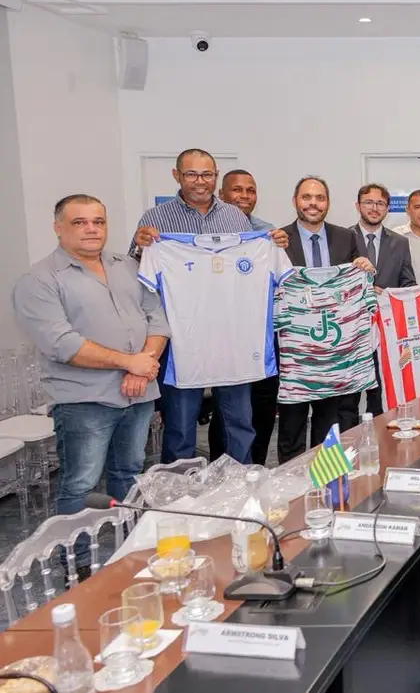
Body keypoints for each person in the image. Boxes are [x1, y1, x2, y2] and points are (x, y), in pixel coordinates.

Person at [13, 195, 167, 524]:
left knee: (130, 473)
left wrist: (142, 366)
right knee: (81, 484)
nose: (91, 229)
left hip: (138, 394)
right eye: (79, 222)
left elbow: (157, 318)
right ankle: (78, 554)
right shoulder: (39, 280)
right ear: (58, 228)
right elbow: (62, 344)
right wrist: (129, 363)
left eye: (98, 222)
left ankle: (130, 545)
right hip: (84, 401)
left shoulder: (127, 266)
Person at [130, 149, 286, 464]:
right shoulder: (154, 219)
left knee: (239, 422)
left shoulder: (235, 217)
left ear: (216, 176)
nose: (200, 181)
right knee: (180, 426)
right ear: (177, 176)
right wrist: (140, 246)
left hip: (233, 336)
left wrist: (274, 244)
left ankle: (239, 483)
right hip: (182, 338)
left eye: (207, 174)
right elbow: (139, 273)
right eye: (191, 174)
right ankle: (180, 488)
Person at [277, 176, 373, 462]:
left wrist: (365, 268)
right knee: (291, 427)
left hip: (334, 352)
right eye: (306, 197)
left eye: (320, 198)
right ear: (295, 201)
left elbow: (357, 275)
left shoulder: (346, 237)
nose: (313, 203)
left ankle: (323, 479)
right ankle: (290, 480)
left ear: (328, 203)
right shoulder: (278, 240)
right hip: (296, 356)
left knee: (327, 428)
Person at [211, 168, 278, 462]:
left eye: (250, 190)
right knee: (227, 411)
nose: (244, 196)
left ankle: (257, 469)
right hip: (221, 333)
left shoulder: (267, 232)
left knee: (262, 407)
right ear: (221, 194)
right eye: (237, 189)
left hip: (260, 335)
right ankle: (220, 469)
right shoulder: (208, 232)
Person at [351, 183, 416, 416]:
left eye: (380, 203)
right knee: (348, 400)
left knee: (381, 394)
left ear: (387, 208)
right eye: (368, 202)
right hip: (353, 330)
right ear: (358, 206)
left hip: (387, 331)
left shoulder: (400, 242)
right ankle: (349, 437)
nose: (374, 208)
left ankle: (380, 437)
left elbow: (408, 283)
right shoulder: (342, 238)